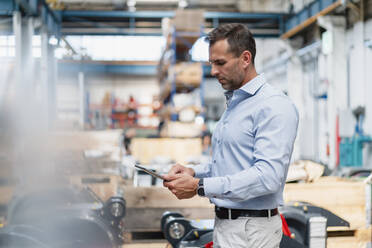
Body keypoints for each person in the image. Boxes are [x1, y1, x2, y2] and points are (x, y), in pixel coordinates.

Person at [163, 23, 299, 248]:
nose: (214, 71)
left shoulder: (273, 106)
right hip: (227, 225)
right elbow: (232, 164)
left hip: (252, 231)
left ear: (245, 59)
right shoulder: (236, 104)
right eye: (211, 63)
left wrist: (200, 185)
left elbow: (268, 177)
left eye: (220, 63)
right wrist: (194, 172)